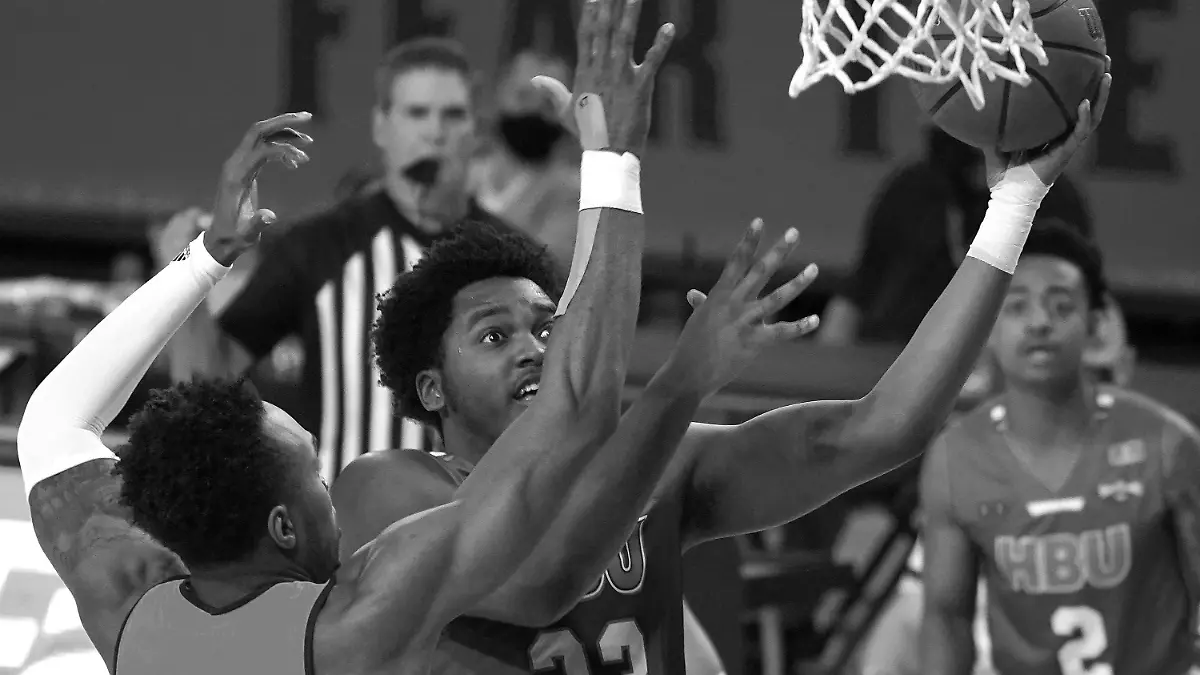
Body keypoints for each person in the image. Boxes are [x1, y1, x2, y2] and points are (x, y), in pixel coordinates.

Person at [333, 27, 1114, 675]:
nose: (534, 349)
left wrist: (1014, 203)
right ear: (431, 389)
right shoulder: (386, 491)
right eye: (494, 335)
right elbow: (540, 578)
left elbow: (883, 426)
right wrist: (681, 379)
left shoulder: (660, 462)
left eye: (546, 325)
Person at [15, 6, 777, 669]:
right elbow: (572, 424)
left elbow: (50, 423)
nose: (334, 489)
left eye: (452, 114)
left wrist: (205, 257)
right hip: (474, 544)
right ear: (283, 521)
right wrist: (615, 166)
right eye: (318, 474)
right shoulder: (357, 618)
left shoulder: (134, 605)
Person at [156, 36, 523, 479]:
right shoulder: (321, 245)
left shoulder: (511, 258)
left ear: (476, 131)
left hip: (480, 512)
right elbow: (206, 384)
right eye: (417, 113)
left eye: (453, 115)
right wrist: (186, 273)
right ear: (381, 126)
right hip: (342, 512)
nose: (435, 132)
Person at [919, 221, 1200, 675]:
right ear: (985, 326)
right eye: (1016, 307)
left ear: (1095, 325)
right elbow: (946, 618)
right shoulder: (956, 458)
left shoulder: (1168, 444)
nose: (1039, 322)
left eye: (1061, 305)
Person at [820, 127, 1095, 346]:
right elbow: (855, 296)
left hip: (1009, 370)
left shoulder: (1054, 198)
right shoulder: (913, 187)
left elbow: (1081, 309)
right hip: (894, 357)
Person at [471, 49, 582, 265]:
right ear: (499, 93)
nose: (534, 110)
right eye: (523, 96)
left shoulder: (573, 195)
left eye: (548, 105)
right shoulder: (459, 173)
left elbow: (545, 269)